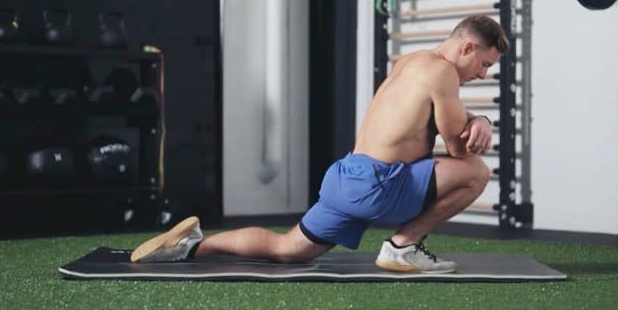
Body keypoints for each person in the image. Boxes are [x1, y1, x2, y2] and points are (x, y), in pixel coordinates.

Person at [130, 15, 509, 274]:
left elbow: (441, 118)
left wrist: (479, 119)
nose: (482, 74)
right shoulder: (444, 73)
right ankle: (403, 246)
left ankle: (194, 245)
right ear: (467, 48)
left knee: (288, 249)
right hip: (378, 185)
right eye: (485, 64)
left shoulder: (414, 61)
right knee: (476, 172)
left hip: (348, 177)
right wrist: (480, 122)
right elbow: (459, 151)